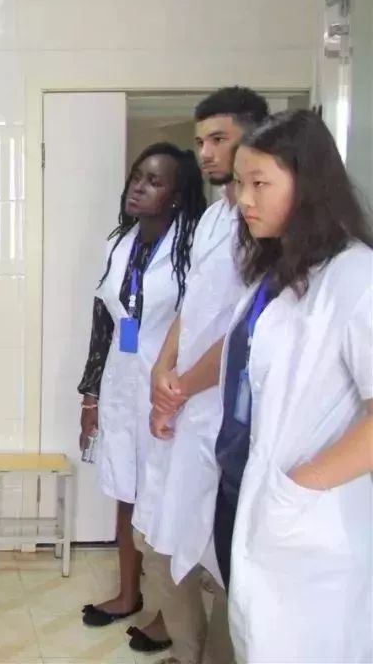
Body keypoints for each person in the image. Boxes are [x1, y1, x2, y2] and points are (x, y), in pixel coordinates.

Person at [211, 110, 372, 662]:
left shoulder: (357, 278)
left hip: (311, 521)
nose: (244, 200)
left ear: (308, 185)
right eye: (240, 183)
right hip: (258, 499)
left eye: (260, 184)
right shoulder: (281, 272)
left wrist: (297, 490)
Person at [146, 87, 268, 664]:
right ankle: (187, 651)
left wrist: (182, 386)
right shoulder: (215, 217)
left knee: (222, 556)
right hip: (187, 403)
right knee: (168, 540)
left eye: (219, 139)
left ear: (256, 136)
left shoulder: (263, 225)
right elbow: (192, 306)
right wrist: (163, 369)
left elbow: (249, 328)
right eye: (200, 141)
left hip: (224, 409)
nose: (206, 153)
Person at [77, 143, 207, 646]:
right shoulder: (121, 242)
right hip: (121, 382)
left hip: (170, 389)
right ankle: (128, 593)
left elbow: (201, 323)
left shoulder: (193, 246)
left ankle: (169, 615)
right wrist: (90, 396)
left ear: (176, 195)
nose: (139, 187)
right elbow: (104, 323)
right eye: (137, 176)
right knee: (125, 489)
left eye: (154, 181)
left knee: (165, 498)